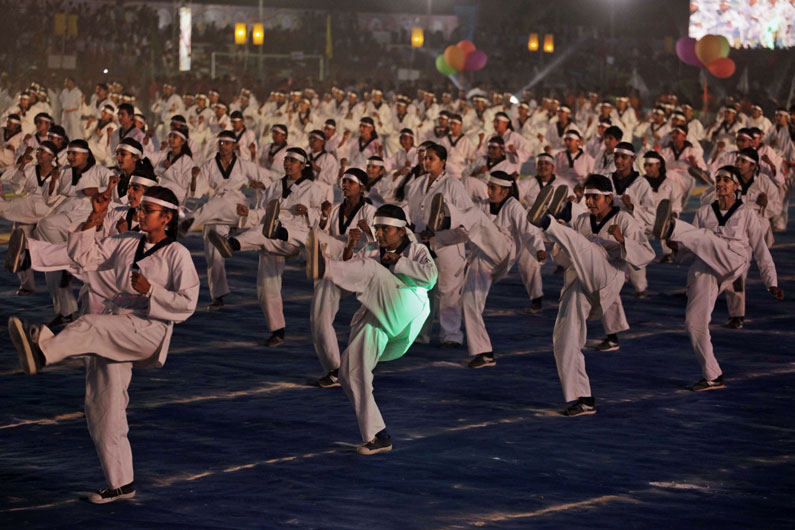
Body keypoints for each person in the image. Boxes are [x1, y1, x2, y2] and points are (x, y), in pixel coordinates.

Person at [7, 185, 199, 504]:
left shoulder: (177, 254)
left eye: (146, 210)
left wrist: (153, 291)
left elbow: (188, 303)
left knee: (87, 324)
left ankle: (43, 352)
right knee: (102, 404)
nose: (139, 213)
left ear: (166, 217)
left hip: (147, 329)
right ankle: (121, 484)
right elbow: (85, 257)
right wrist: (95, 217)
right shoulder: (127, 241)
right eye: (140, 209)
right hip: (116, 326)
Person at [305, 204, 437, 454]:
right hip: (381, 316)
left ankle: (325, 268)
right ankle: (378, 435)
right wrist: (350, 248)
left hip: (407, 310)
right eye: (377, 229)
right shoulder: (374, 249)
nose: (379, 233)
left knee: (372, 270)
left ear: (401, 230)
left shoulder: (417, 249)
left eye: (385, 229)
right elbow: (354, 269)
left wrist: (399, 262)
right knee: (350, 372)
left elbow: (430, 278)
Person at [528, 174, 654, 416]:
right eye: (586, 197)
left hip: (609, 276)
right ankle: (583, 399)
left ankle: (548, 222)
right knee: (563, 337)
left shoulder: (623, 219)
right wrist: (556, 247)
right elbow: (567, 257)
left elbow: (647, 255)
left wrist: (622, 239)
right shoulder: (583, 220)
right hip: (582, 282)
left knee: (591, 247)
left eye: (594, 197)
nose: (589, 202)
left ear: (609, 198)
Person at [654, 166, 783, 391]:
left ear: (736, 186)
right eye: (718, 179)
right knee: (694, 323)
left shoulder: (746, 213)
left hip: (735, 258)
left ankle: (671, 227)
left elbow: (761, 250)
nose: (721, 183)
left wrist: (771, 282)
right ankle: (713, 375)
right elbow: (692, 247)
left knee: (704, 236)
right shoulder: (704, 212)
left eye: (726, 179)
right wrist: (676, 249)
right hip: (708, 264)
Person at [206, 147, 328, 346]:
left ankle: (232, 243)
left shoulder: (312, 188)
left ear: (303, 165)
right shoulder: (275, 186)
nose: (287, 163)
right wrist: (248, 213)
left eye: (292, 161)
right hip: (270, 237)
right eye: (286, 159)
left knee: (264, 232)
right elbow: (263, 211)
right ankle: (277, 331)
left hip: (292, 238)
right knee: (266, 287)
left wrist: (307, 212)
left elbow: (322, 217)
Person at [427, 171, 545, 368]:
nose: (488, 190)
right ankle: (484, 353)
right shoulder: (483, 205)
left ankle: (447, 217)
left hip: (503, 249)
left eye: (493, 188)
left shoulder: (513, 205)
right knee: (468, 302)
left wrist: (539, 248)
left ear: (506, 191)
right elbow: (465, 233)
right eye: (488, 186)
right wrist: (437, 239)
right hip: (484, 259)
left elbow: (528, 228)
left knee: (475, 216)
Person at [309, 168, 377, 386]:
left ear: (362, 187)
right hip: (336, 269)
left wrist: (367, 232)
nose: (345, 185)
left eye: (350, 182)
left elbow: (378, 243)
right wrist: (323, 217)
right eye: (343, 182)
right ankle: (334, 370)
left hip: (361, 268)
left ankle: (319, 262)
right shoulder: (337, 209)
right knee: (318, 318)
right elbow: (324, 234)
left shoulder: (369, 211)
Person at [180, 130, 262, 309]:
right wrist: (194, 177)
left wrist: (258, 185)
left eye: (227, 143)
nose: (223, 146)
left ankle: (187, 223)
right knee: (213, 251)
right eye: (221, 143)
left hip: (235, 205)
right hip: (215, 211)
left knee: (215, 204)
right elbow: (198, 191)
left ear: (234, 145)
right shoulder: (209, 164)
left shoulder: (243, 164)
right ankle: (218, 296)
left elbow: (264, 179)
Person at [407, 143, 472, 347]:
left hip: (448, 244)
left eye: (431, 158)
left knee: (448, 291)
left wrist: (437, 232)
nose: (426, 161)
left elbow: (465, 215)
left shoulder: (453, 185)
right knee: (422, 289)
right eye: (425, 158)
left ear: (443, 162)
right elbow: (412, 211)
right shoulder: (417, 183)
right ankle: (420, 333)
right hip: (422, 243)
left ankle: (451, 335)